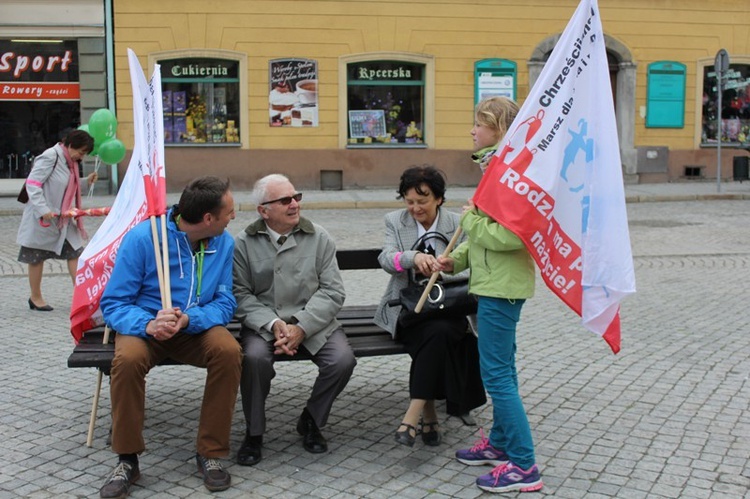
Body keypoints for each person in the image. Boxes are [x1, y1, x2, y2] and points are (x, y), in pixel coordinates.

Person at [98, 176, 241, 498]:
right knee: (128, 360)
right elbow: (113, 302)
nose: (233, 217)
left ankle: (211, 452)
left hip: (194, 326)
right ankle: (127, 458)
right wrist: (149, 324)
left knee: (228, 352)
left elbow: (225, 299)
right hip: (146, 327)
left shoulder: (223, 242)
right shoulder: (144, 238)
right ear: (208, 218)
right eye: (230, 211)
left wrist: (191, 318)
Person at [436, 97, 544, 494]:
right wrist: (456, 261)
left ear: (499, 128)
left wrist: (466, 218)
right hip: (493, 283)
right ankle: (500, 444)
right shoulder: (495, 169)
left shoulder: (512, 172)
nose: (472, 131)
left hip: (503, 288)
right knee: (504, 371)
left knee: (497, 376)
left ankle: (524, 464)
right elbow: (483, 233)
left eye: (478, 124)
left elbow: (512, 237)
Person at [233, 173, 356, 466]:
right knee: (254, 360)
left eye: (296, 197)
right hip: (265, 326)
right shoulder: (244, 243)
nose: (294, 205)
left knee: (342, 361)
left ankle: (311, 419)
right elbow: (241, 294)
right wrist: (274, 324)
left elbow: (333, 291)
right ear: (264, 210)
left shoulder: (319, 237)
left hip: (314, 323)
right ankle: (255, 432)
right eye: (285, 200)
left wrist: (301, 326)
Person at [374, 165, 485, 448]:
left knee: (440, 332)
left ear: (438, 198)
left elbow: (471, 264)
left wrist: (444, 267)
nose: (414, 208)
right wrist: (412, 258)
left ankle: (416, 415)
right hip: (408, 310)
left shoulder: (457, 223)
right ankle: (427, 411)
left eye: (421, 201)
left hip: (446, 307)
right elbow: (387, 258)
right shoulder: (394, 221)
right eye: (409, 201)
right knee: (440, 333)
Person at [16, 129, 96, 311]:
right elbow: (33, 184)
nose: (81, 157)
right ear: (69, 146)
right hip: (42, 218)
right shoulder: (50, 157)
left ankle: (82, 298)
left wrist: (86, 182)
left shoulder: (70, 162)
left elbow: (68, 184)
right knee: (36, 257)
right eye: (81, 152)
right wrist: (43, 209)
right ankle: (35, 297)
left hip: (63, 218)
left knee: (76, 253)